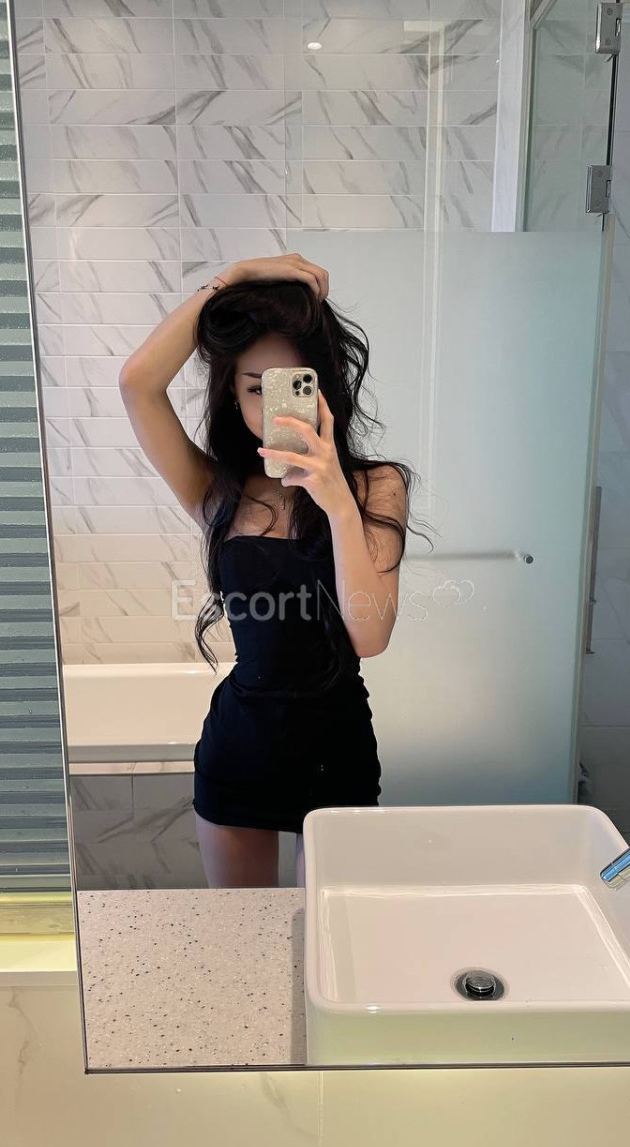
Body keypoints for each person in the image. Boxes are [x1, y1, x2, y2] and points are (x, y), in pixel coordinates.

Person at [119, 253, 434, 888]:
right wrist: (231, 280)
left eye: (291, 386)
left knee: (335, 931)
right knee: (239, 935)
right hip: (239, 750)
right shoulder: (217, 490)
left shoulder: (376, 486)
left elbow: (370, 636)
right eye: (254, 388)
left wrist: (336, 502)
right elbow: (137, 384)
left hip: (337, 751)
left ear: (323, 388)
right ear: (232, 397)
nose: (272, 406)